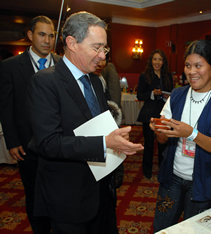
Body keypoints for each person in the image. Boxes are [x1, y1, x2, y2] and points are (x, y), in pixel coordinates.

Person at [26, 11, 144, 233]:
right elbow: (48, 143)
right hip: (69, 197)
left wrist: (115, 138)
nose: (102, 55)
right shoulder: (44, 82)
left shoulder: (95, 82)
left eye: (105, 48)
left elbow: (98, 127)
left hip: (102, 192)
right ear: (72, 43)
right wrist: (106, 143)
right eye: (96, 47)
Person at [150, 40, 211, 232]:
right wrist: (158, 129)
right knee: (162, 227)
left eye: (198, 65)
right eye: (188, 65)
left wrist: (191, 133)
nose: (192, 72)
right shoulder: (176, 95)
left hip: (205, 182)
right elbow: (162, 140)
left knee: (196, 230)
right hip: (172, 177)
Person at [0, 15, 61, 233]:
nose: (47, 40)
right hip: (27, 145)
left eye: (51, 35)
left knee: (60, 192)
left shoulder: (64, 65)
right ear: (30, 35)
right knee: (35, 194)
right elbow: (6, 108)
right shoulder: (10, 67)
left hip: (60, 143)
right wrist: (12, 140)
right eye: (42, 34)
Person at [136, 49, 173, 179]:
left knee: (163, 144)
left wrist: (166, 95)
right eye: (155, 59)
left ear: (163, 62)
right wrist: (152, 93)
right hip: (149, 114)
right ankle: (147, 170)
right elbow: (139, 95)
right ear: (151, 61)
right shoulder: (144, 75)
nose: (157, 62)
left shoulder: (167, 76)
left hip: (164, 114)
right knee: (149, 144)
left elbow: (171, 93)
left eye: (160, 59)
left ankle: (163, 169)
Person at [93, 52, 124, 188]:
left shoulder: (108, 70)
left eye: (103, 60)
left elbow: (115, 97)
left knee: (114, 150)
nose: (100, 63)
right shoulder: (90, 74)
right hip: (95, 125)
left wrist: (112, 121)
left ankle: (116, 178)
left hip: (107, 120)